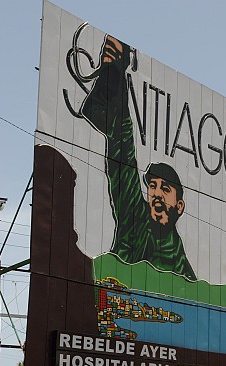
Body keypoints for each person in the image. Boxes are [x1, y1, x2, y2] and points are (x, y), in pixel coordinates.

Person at [74, 34, 196, 280]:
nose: (156, 193)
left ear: (180, 206)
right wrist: (116, 72)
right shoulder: (134, 215)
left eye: (165, 188)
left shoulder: (179, 259)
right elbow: (124, 154)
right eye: (152, 186)